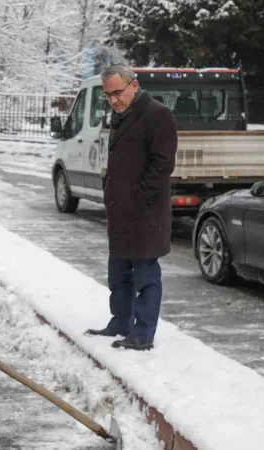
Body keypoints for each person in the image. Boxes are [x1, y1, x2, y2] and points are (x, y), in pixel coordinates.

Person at [85, 64, 178, 351]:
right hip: (120, 212)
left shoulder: (157, 115)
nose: (113, 99)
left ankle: (143, 332)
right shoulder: (121, 115)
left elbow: (163, 165)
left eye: (117, 92)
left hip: (145, 213)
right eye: (108, 95)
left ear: (134, 86)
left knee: (146, 275)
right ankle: (121, 321)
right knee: (119, 273)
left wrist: (138, 197)